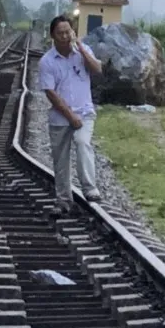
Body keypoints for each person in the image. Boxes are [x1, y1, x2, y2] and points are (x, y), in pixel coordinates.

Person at [38, 14, 103, 209]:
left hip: (84, 112)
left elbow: (97, 69)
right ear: (53, 36)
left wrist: (81, 48)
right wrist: (69, 116)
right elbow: (50, 93)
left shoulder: (82, 51)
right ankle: (64, 200)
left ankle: (90, 188)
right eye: (61, 33)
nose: (65, 36)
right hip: (60, 117)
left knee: (83, 142)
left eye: (68, 32)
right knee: (61, 159)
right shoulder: (47, 62)